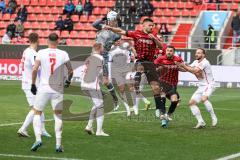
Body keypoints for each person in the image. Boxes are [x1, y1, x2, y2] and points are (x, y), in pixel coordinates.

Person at [104, 18, 166, 124]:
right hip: (140, 61)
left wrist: (154, 39)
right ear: (144, 26)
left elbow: (162, 47)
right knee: (136, 82)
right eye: (150, 25)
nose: (152, 27)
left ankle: (159, 110)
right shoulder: (136, 33)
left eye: (153, 26)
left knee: (156, 88)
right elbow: (121, 31)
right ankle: (135, 91)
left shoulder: (153, 35)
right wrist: (110, 28)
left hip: (150, 63)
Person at [30, 33, 73, 152]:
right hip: (57, 88)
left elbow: (34, 69)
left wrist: (33, 84)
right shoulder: (63, 53)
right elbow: (70, 71)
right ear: (58, 41)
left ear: (47, 40)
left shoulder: (41, 52)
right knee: (58, 115)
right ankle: (58, 144)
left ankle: (38, 139)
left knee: (37, 113)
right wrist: (68, 82)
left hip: (44, 87)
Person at [17, 33, 51, 138]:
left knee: (39, 107)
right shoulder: (32, 53)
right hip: (31, 85)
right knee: (36, 109)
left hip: (27, 83)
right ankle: (23, 129)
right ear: (38, 40)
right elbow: (35, 68)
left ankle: (42, 130)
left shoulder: (26, 51)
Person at [175, 48, 218, 129]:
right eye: (196, 53)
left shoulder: (205, 62)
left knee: (203, 98)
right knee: (191, 103)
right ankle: (201, 122)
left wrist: (183, 64)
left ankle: (213, 117)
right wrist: (176, 66)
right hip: (201, 86)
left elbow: (195, 70)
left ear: (203, 55)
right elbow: (186, 69)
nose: (196, 54)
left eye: (198, 53)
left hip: (209, 85)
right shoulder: (195, 62)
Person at [92, 11, 121, 110]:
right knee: (91, 81)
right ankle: (103, 97)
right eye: (114, 20)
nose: (115, 22)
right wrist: (104, 18)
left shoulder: (115, 32)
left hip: (104, 57)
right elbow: (94, 24)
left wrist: (111, 27)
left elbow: (119, 33)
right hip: (95, 56)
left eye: (116, 20)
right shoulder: (102, 26)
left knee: (105, 81)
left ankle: (115, 100)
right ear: (110, 20)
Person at [82, 43, 109, 136]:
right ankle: (99, 131)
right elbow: (99, 72)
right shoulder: (100, 58)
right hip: (92, 85)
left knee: (96, 104)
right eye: (102, 47)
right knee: (101, 107)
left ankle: (89, 126)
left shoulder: (89, 57)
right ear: (99, 48)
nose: (103, 49)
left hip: (84, 85)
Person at [154, 46, 183, 128]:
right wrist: (157, 69)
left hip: (173, 84)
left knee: (174, 101)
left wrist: (180, 66)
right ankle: (163, 118)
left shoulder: (178, 59)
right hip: (163, 83)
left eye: (171, 51)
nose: (169, 52)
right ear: (165, 51)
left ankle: (167, 115)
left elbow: (184, 69)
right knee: (162, 98)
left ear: (173, 52)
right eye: (167, 50)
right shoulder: (160, 59)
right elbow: (153, 68)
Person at [108, 41, 133, 116]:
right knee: (121, 90)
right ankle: (128, 108)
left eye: (119, 40)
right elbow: (109, 62)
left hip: (126, 69)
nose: (118, 42)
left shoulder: (125, 47)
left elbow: (129, 59)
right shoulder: (111, 49)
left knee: (131, 88)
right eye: (116, 40)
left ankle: (133, 104)